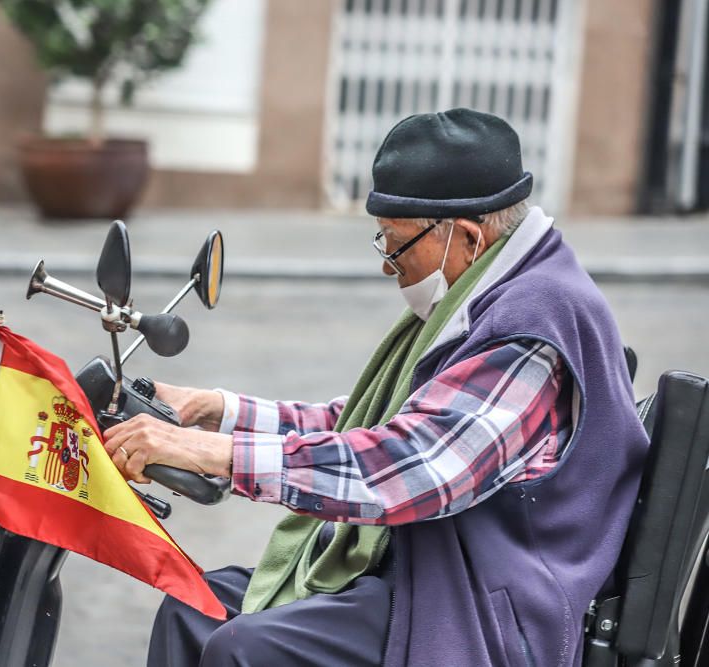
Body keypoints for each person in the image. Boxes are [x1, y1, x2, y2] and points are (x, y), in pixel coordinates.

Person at [103, 108, 650, 667]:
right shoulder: (484, 290)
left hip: (478, 602)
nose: (391, 269)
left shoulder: (534, 321)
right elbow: (374, 425)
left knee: (245, 648)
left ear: (464, 236)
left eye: (396, 245)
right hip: (422, 567)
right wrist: (215, 412)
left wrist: (217, 454)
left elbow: (415, 465)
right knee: (191, 607)